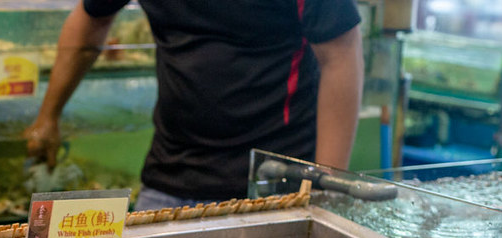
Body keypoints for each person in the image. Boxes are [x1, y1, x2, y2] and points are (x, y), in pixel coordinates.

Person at [24, 1, 364, 210]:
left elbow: (340, 53)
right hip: (169, 179)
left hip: (272, 185)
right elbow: (89, 20)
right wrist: (48, 118)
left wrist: (327, 186)